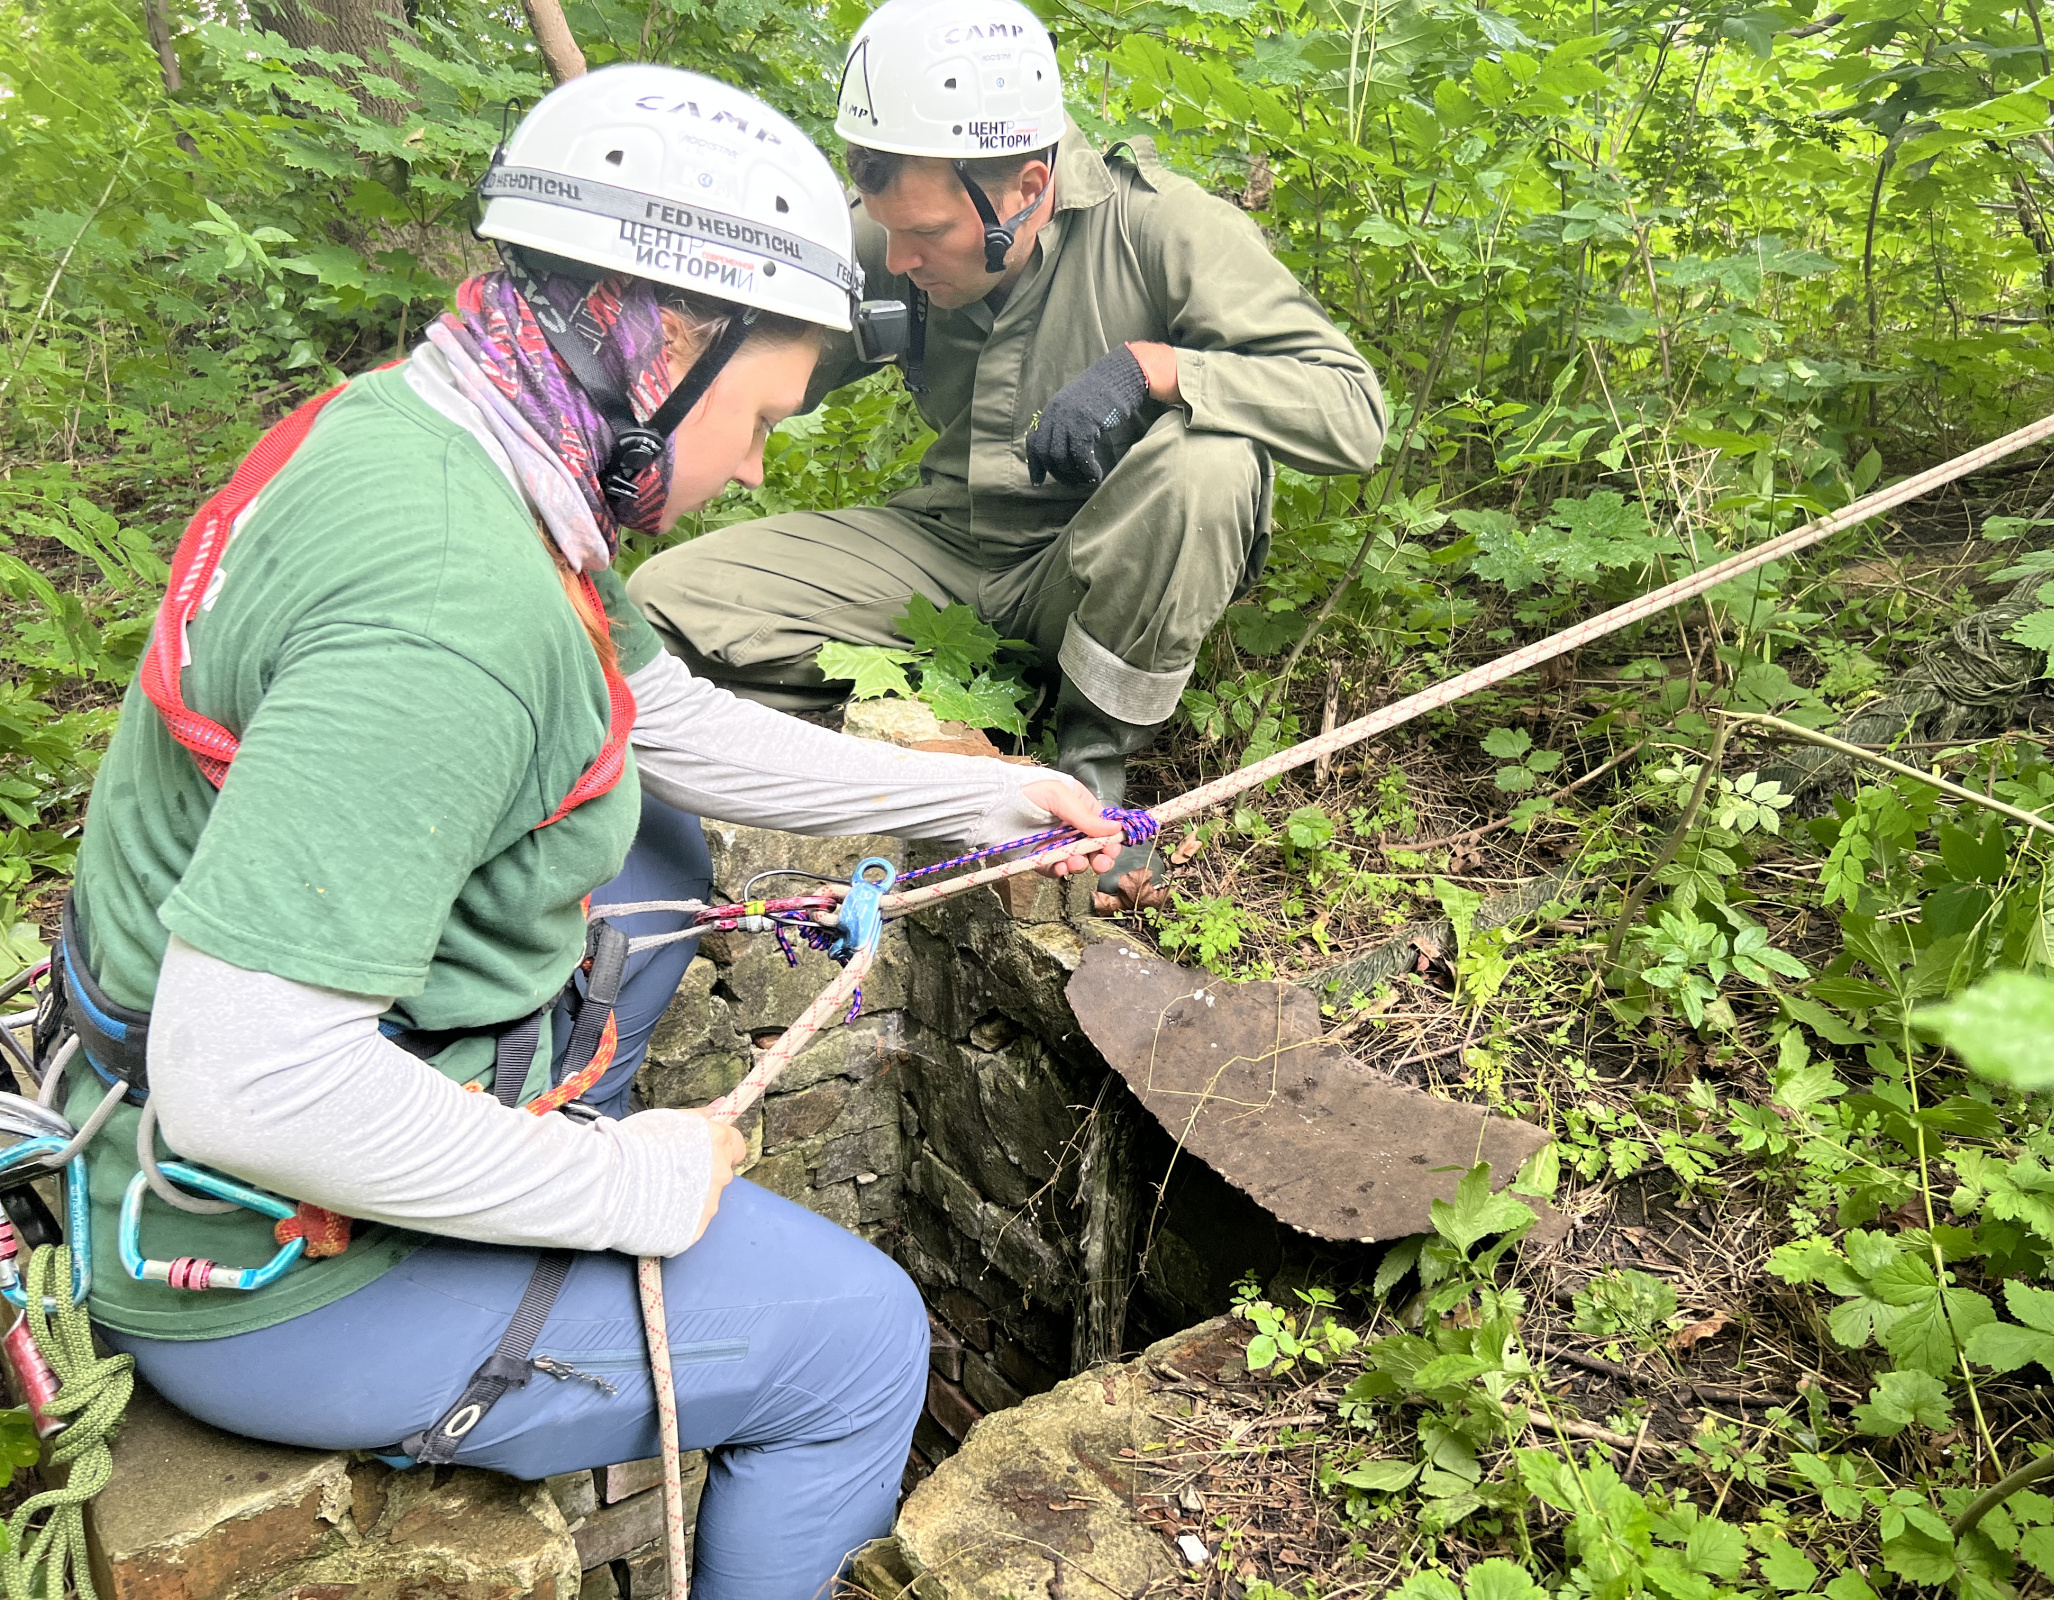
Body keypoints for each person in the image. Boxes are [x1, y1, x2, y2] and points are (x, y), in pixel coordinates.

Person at [47, 65, 1120, 1600]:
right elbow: (247, 1085)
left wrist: (980, 794)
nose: (757, 463)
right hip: (249, 1256)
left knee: (654, 840)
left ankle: (533, 1126)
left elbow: (659, 719)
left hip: (188, 1083)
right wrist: (632, 1184)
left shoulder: (440, 443)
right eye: (763, 409)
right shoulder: (451, 622)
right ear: (662, 336)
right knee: (859, 1343)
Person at [625, 0, 1388, 910]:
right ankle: (896, 748)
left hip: (1093, 566)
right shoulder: (889, 237)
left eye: (928, 236)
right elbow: (738, 375)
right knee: (660, 609)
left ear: (1026, 187)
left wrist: (1158, 369)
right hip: (944, 549)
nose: (898, 258)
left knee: (1210, 465)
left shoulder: (1165, 231)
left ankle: (1095, 772)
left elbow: (1353, 414)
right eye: (886, 227)